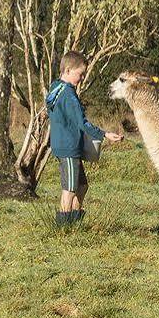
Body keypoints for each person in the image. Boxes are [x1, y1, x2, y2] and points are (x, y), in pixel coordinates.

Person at [48, 51, 121, 226]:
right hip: (68, 148)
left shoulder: (56, 87)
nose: (82, 78)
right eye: (80, 74)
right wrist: (104, 134)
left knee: (82, 186)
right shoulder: (68, 94)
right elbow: (82, 123)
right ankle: (63, 228)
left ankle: (75, 221)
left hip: (64, 145)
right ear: (67, 70)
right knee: (70, 189)